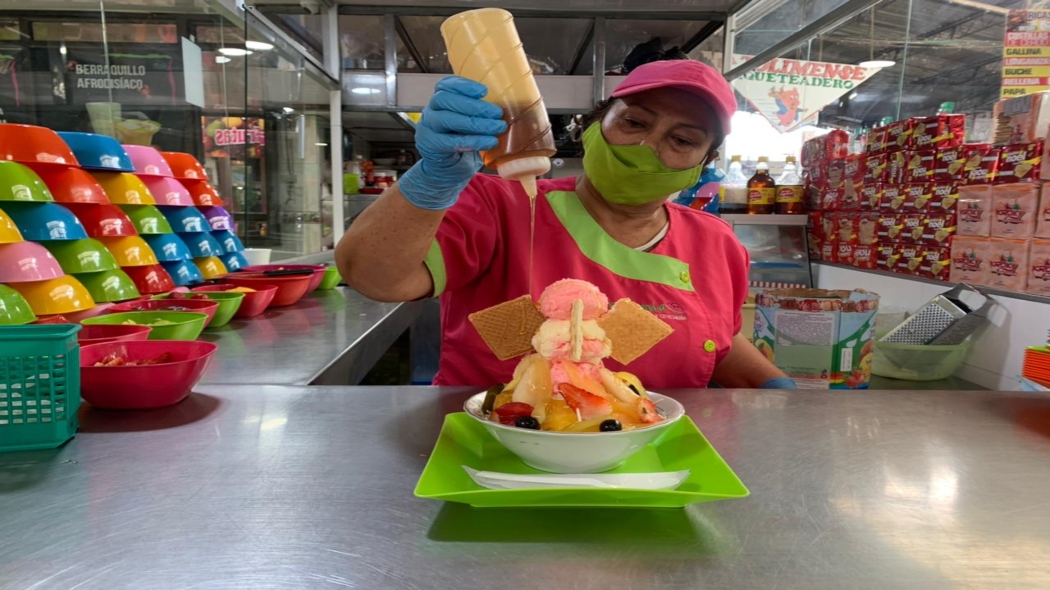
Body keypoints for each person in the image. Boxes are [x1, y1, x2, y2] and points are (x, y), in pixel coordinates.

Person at [336, 59, 795, 390]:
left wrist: (777, 389)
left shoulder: (715, 242)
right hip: (494, 454)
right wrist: (430, 181)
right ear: (593, 125)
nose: (646, 147)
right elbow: (373, 277)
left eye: (682, 140)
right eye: (634, 122)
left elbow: (719, 339)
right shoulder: (499, 205)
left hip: (651, 455)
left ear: (701, 164)